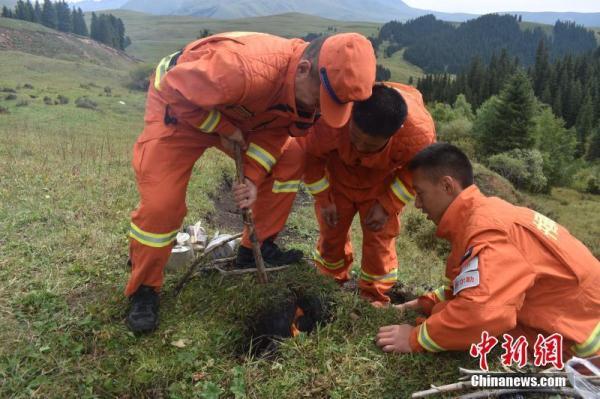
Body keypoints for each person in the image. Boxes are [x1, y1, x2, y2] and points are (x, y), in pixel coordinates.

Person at [126, 31, 376, 333]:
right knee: (162, 206)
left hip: (240, 115)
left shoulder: (304, 94)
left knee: (291, 157)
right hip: (181, 108)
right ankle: (144, 289)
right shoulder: (242, 68)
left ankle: (254, 250)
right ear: (303, 69)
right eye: (321, 100)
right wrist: (221, 127)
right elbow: (175, 89)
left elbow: (276, 132)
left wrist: (254, 179)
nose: (321, 111)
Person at [375, 143, 600, 359]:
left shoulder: (489, 232)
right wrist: (417, 305)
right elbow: (469, 286)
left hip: (584, 352)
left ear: (447, 185)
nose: (417, 204)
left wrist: (415, 338)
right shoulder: (481, 217)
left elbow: (481, 313)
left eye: (421, 193)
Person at [304, 83, 435, 306]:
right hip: (338, 178)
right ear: (351, 116)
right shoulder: (331, 119)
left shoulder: (419, 135)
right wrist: (324, 199)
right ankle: (328, 279)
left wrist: (387, 205)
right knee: (331, 232)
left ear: (395, 134)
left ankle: (373, 296)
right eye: (355, 138)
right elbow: (311, 158)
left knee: (379, 241)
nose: (361, 148)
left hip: (382, 185)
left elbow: (414, 173)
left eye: (371, 145)